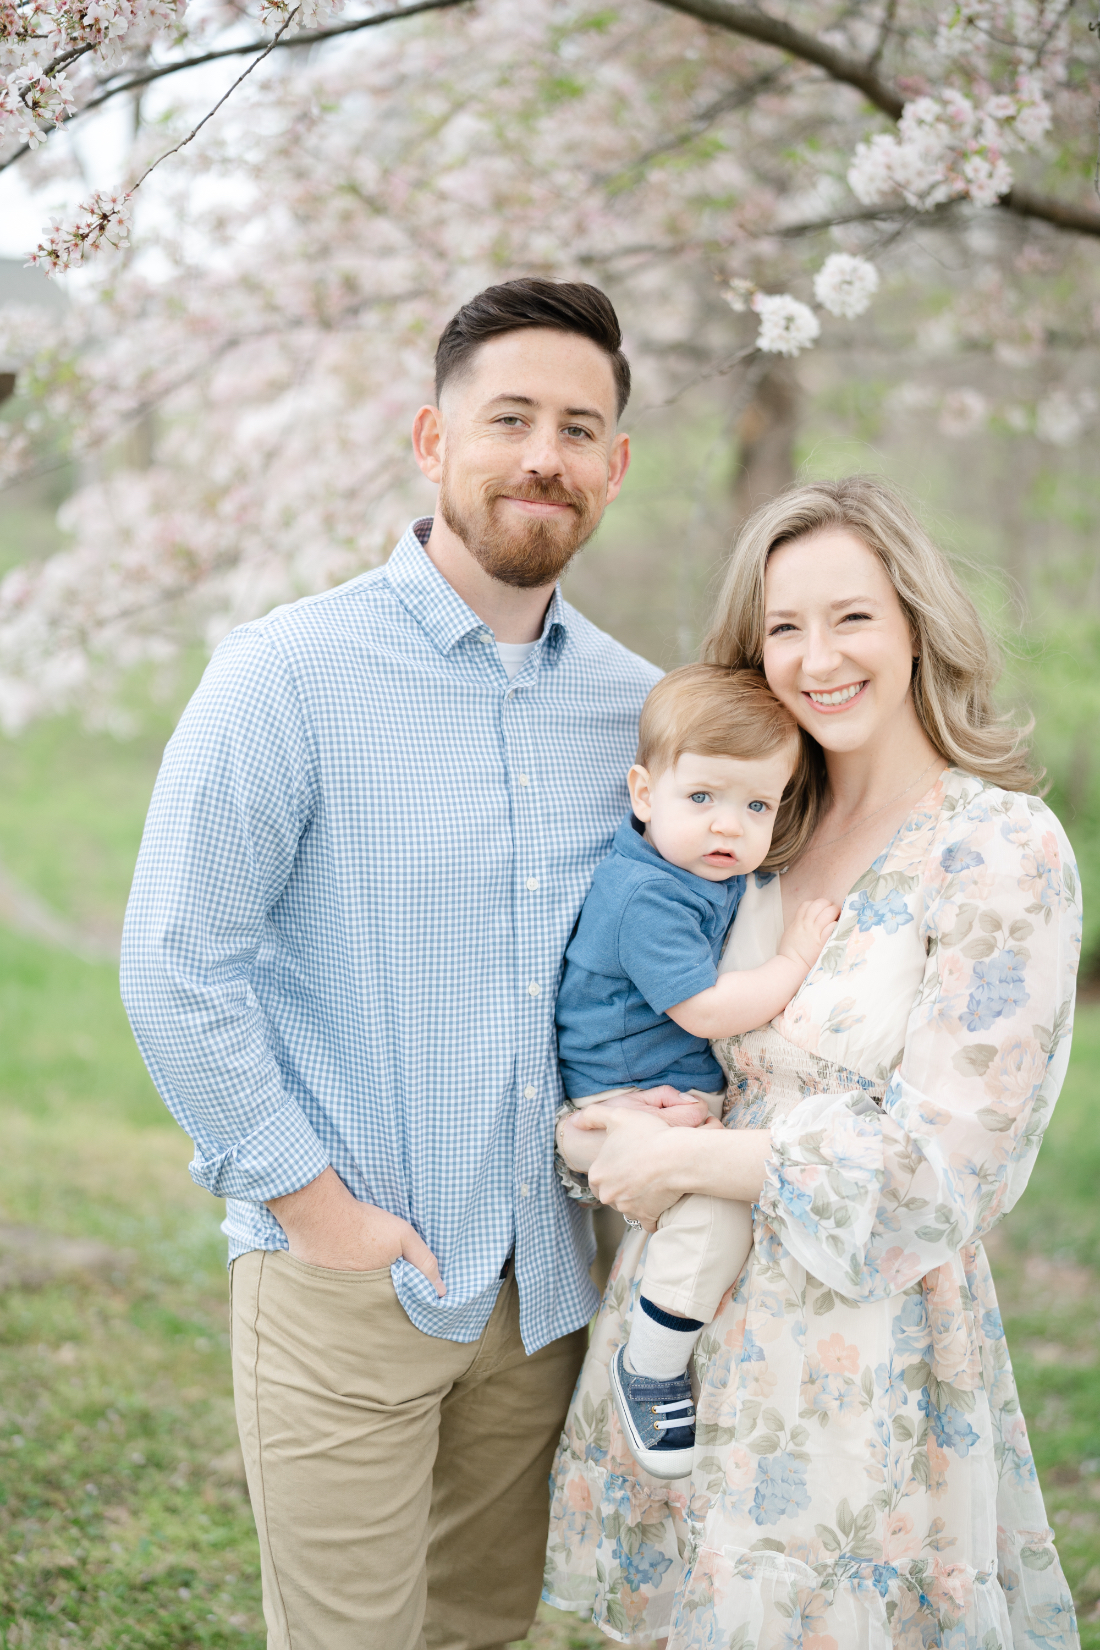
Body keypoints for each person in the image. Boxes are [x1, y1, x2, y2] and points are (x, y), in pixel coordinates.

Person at [120, 277, 665, 1650]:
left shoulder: (637, 710)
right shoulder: (285, 673)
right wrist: (315, 1211)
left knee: (479, 1633)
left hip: (547, 1288)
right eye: (512, 418)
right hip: (346, 1275)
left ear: (614, 466)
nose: (545, 454)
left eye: (579, 427)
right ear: (433, 441)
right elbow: (178, 963)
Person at [544, 474, 1082, 1650]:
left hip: (860, 1357)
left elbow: (950, 1162)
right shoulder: (747, 830)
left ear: (913, 626)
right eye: (782, 626)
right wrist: (609, 1141)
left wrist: (689, 1159)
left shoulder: (993, 849)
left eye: (849, 617)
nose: (815, 657)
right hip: (690, 1339)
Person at [554, 664, 838, 1478]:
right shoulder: (649, 897)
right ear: (644, 794)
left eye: (757, 806)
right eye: (703, 798)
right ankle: (650, 1367)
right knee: (713, 1219)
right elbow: (707, 1010)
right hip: (618, 1105)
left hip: (652, 1098)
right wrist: (793, 960)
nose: (729, 826)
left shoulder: (691, 871)